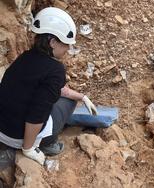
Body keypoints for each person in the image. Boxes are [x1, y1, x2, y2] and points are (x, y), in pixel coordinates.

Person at [0, 7, 98, 166]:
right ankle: (47, 144)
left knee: (63, 98)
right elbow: (36, 114)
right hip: (18, 136)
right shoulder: (55, 70)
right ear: (52, 42)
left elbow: (51, 89)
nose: (68, 49)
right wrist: (28, 148)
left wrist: (82, 97)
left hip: (2, 127)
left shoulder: (26, 57)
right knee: (67, 103)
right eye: (66, 44)